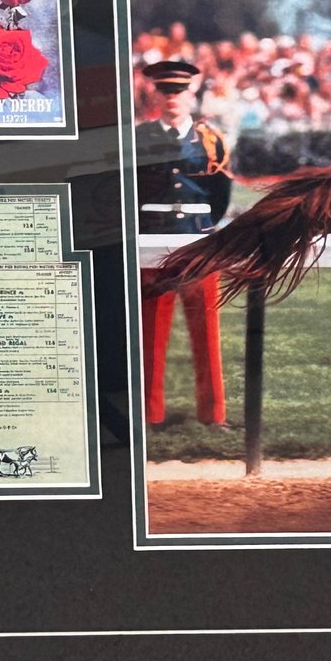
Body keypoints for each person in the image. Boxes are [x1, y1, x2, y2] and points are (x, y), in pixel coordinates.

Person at [135, 58, 234, 426]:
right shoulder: (140, 139)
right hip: (152, 239)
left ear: (191, 94)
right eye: (165, 90)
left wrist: (204, 227)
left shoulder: (210, 140)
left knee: (206, 329)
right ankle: (150, 414)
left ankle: (213, 415)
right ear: (156, 94)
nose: (172, 97)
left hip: (197, 239)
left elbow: (220, 194)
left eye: (178, 90)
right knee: (150, 330)